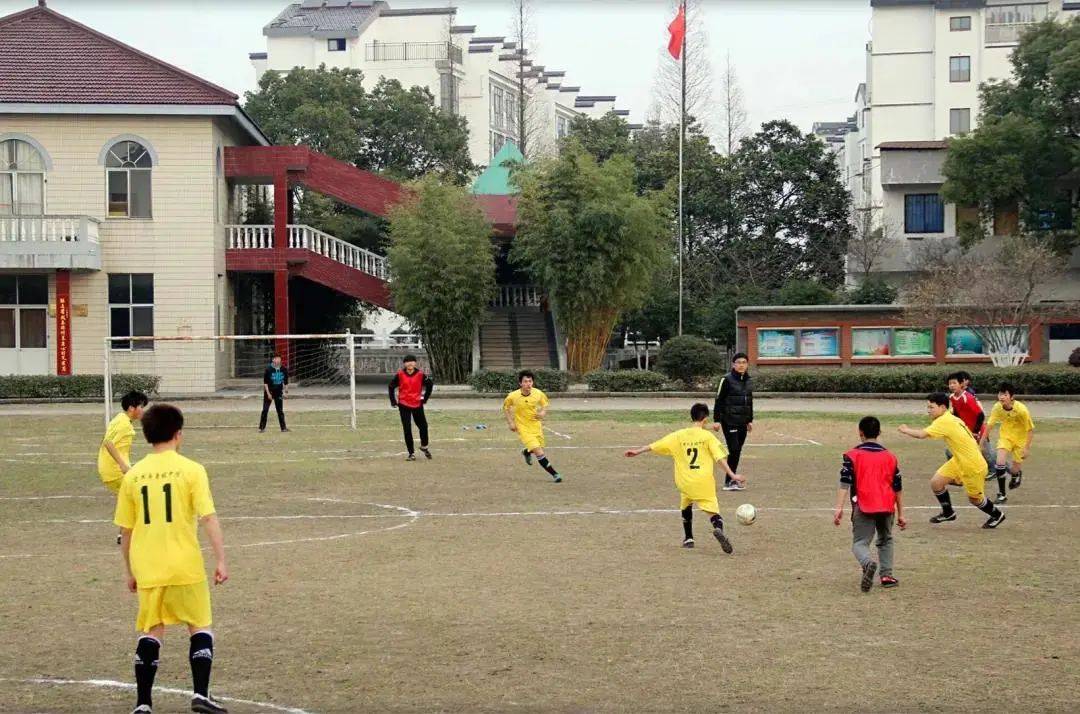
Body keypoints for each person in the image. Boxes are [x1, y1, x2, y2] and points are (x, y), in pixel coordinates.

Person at [113, 404, 229, 714]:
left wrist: (129, 570)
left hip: (148, 566)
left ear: (147, 435)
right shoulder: (192, 470)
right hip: (185, 564)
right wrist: (220, 559)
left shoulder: (133, 476)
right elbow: (207, 518)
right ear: (178, 435)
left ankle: (142, 703)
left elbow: (126, 532)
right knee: (199, 625)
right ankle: (201, 694)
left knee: (152, 630)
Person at [625, 403, 745, 552]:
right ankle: (718, 528)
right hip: (702, 481)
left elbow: (655, 445)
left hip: (684, 481)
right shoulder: (708, 437)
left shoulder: (678, 435)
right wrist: (732, 475)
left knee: (685, 503)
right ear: (705, 419)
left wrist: (637, 451)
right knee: (712, 511)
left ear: (691, 417)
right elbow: (720, 458)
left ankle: (688, 538)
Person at [898, 393, 1005, 529]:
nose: (928, 410)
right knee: (936, 483)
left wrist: (905, 429)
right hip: (959, 460)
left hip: (972, 465)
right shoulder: (950, 417)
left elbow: (922, 435)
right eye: (928, 407)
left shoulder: (944, 421)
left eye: (931, 407)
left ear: (942, 407)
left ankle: (997, 515)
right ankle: (948, 513)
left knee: (975, 499)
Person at [833, 416, 906, 592]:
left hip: (864, 505)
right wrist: (901, 513)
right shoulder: (890, 457)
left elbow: (845, 483)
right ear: (879, 433)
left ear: (860, 433)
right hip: (887, 505)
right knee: (886, 539)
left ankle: (867, 564)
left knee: (860, 542)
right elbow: (898, 487)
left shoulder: (852, 455)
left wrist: (839, 508)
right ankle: (887, 575)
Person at [99, 391, 149, 544]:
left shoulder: (121, 420)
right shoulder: (123, 424)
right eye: (141, 406)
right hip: (115, 471)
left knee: (132, 498)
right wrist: (122, 464)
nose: (143, 410)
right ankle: (130, 534)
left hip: (112, 469)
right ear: (132, 408)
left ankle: (124, 534)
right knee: (140, 495)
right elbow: (108, 442)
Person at [503, 370, 561, 483]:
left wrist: (543, 412)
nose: (528, 384)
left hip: (536, 426)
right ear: (520, 383)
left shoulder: (538, 393)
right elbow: (506, 408)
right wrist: (511, 423)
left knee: (538, 448)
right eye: (525, 381)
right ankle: (555, 474)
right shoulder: (513, 396)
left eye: (530, 381)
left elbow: (545, 404)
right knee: (539, 452)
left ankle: (527, 452)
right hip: (523, 427)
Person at [982, 382, 1035, 502]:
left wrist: (1026, 448)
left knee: (1014, 470)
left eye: (1005, 394)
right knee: (1000, 462)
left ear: (1011, 397)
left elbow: (1030, 430)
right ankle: (1001, 494)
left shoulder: (1021, 410)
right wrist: (981, 442)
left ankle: (1016, 474)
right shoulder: (997, 407)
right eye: (1000, 394)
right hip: (1005, 437)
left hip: (1020, 440)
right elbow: (989, 425)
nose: (1001, 397)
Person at [712, 352, 753, 491]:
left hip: (742, 421)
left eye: (744, 362)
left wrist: (749, 420)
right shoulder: (726, 379)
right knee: (734, 449)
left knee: (737, 450)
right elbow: (719, 400)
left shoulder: (748, 380)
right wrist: (717, 420)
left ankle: (731, 480)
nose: (741, 365)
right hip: (729, 420)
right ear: (733, 364)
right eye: (739, 362)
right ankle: (730, 480)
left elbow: (749, 401)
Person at [945, 371, 995, 472]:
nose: (952, 385)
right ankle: (959, 469)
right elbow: (956, 413)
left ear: (961, 384)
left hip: (978, 430)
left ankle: (998, 470)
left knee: (987, 454)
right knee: (950, 451)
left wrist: (976, 432)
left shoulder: (967, 397)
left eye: (954, 383)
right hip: (966, 431)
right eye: (950, 383)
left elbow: (980, 415)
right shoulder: (952, 397)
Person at [388, 354, 434, 461]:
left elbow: (430, 385)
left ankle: (424, 446)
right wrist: (393, 401)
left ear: (415, 363)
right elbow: (391, 386)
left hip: (417, 404)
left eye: (412, 361)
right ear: (404, 363)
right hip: (404, 404)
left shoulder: (420, 374)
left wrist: (425, 398)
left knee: (423, 426)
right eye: (407, 361)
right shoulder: (400, 374)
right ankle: (411, 453)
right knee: (407, 428)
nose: (410, 363)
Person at [258, 355, 289, 433]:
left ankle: (283, 428)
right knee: (265, 410)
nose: (278, 361)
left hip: (278, 392)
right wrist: (268, 394)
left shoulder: (283, 369)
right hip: (269, 392)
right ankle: (262, 428)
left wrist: (286, 392)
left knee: (280, 410)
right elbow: (265, 383)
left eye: (279, 359)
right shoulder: (268, 369)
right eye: (276, 359)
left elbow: (286, 382)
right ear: (273, 360)